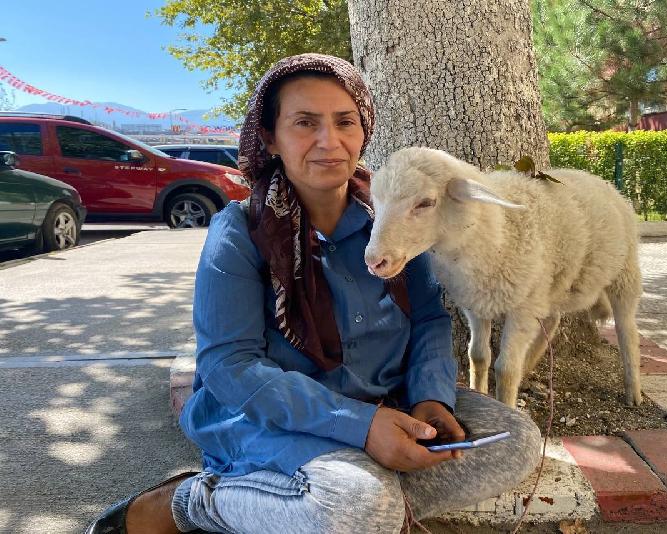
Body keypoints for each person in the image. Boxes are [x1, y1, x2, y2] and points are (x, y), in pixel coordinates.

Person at [85, 53, 541, 534]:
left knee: (516, 442)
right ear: (270, 138)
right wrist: (359, 426)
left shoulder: (396, 217)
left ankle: (327, 504)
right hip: (269, 416)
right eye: (305, 123)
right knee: (359, 504)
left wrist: (431, 400)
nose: (330, 142)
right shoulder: (240, 231)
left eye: (345, 122)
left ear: (363, 131)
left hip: (388, 400)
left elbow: (429, 319)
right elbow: (229, 366)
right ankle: (197, 502)